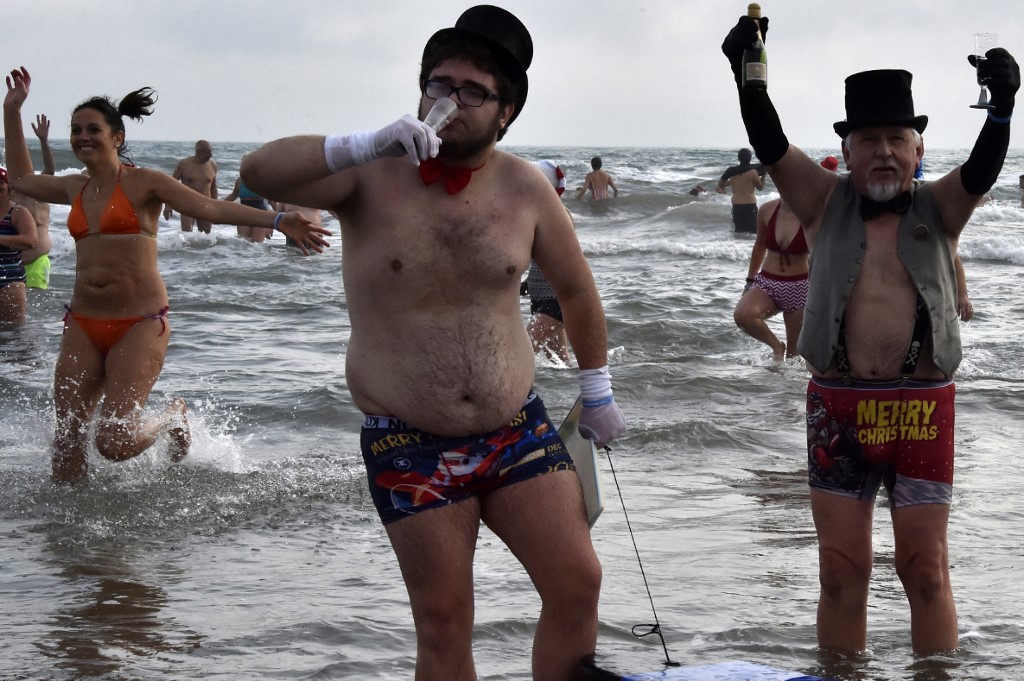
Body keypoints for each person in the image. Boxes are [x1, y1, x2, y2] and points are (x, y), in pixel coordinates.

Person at [240, 6, 625, 679]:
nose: (450, 102)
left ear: (506, 112)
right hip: (409, 440)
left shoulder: (526, 187)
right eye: (439, 85)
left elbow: (578, 291)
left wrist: (597, 392)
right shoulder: (366, 175)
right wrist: (359, 143)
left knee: (578, 580)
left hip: (516, 430)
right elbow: (259, 172)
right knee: (444, 620)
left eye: (472, 91)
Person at [723, 14, 1018, 655]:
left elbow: (983, 170)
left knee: (927, 573)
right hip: (839, 411)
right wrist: (747, 79)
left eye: (897, 137)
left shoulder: (939, 207)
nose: (883, 150)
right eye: (868, 139)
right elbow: (771, 145)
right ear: (847, 151)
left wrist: (1003, 107)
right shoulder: (822, 201)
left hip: (922, 413)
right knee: (838, 575)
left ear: (917, 151)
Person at [3, 67, 332, 484]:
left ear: (117, 137)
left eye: (93, 129)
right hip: (82, 323)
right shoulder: (74, 187)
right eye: (75, 130)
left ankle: (172, 416)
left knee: (114, 441)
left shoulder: (145, 183)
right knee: (67, 442)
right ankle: (72, 545)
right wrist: (12, 111)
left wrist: (279, 218)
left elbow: (209, 209)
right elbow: (20, 179)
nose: (82, 136)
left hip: (139, 324)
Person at [733, 197, 808, 361]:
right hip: (767, 282)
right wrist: (749, 282)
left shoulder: (814, 213)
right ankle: (776, 346)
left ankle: (785, 387)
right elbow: (760, 245)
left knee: (793, 358)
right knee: (743, 315)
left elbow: (825, 253)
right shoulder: (767, 210)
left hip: (800, 287)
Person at [522, 159, 570, 362]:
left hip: (555, 301)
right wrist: (528, 283)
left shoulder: (559, 215)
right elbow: (543, 258)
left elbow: (565, 260)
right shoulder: (535, 214)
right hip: (540, 297)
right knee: (560, 363)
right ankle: (569, 390)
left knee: (522, 352)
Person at [14, 114, 55, 289]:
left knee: (38, 311)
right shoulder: (9, 192)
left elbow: (51, 169)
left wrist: (43, 141)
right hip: (11, 265)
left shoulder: (39, 188)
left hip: (37, 263)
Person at [0, 167, 38, 324]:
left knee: (14, 332)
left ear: (9, 188)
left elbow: (31, 240)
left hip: (10, 279)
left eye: (0, 183)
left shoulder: (17, 212)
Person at [163, 140, 218, 233]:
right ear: (198, 152)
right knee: (187, 235)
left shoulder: (212, 165)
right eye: (208, 153)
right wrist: (168, 206)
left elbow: (213, 188)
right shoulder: (184, 164)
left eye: (212, 152)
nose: (211, 155)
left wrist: (216, 206)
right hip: (187, 203)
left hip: (206, 204)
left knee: (206, 237)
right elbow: (171, 185)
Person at [717, 147, 766, 232]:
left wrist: (732, 182)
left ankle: (736, 245)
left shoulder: (731, 171)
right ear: (750, 158)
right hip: (750, 205)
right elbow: (760, 187)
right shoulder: (753, 172)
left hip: (737, 206)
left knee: (739, 232)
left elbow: (721, 184)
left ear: (739, 158)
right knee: (753, 232)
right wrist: (764, 176)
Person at [225, 170, 274, 242]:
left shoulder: (263, 180)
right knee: (243, 243)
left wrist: (272, 223)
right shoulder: (240, 181)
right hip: (243, 215)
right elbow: (233, 195)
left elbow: (271, 202)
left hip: (260, 215)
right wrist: (216, 206)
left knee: (257, 245)